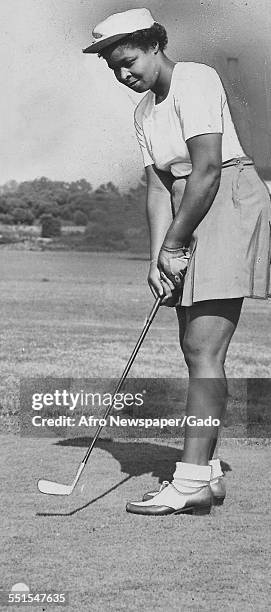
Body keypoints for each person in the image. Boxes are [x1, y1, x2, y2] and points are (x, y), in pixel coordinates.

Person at [83, 8, 271, 516]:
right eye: (113, 68)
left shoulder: (195, 78)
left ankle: (188, 481)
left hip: (225, 198)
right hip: (188, 210)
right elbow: (157, 186)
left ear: (154, 45)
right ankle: (205, 475)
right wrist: (155, 257)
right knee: (194, 349)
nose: (124, 75)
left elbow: (207, 168)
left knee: (204, 346)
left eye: (129, 61)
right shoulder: (144, 111)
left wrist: (174, 242)